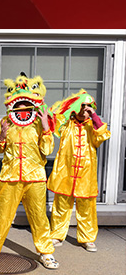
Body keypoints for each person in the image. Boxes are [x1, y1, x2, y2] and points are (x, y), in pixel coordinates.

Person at [0, 73, 59, 269]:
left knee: (38, 216)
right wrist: (3, 134)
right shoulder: (6, 121)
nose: (22, 109)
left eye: (26, 106)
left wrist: (46, 127)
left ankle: (46, 252)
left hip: (35, 178)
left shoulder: (40, 122)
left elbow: (47, 150)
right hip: (10, 176)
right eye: (18, 106)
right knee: (3, 215)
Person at [48, 90, 111, 252]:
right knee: (61, 206)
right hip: (65, 174)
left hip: (85, 176)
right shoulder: (66, 125)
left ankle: (87, 238)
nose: (86, 110)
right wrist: (71, 105)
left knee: (86, 209)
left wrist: (94, 117)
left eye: (89, 107)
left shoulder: (93, 127)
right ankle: (56, 234)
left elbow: (103, 135)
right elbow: (54, 118)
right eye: (83, 106)